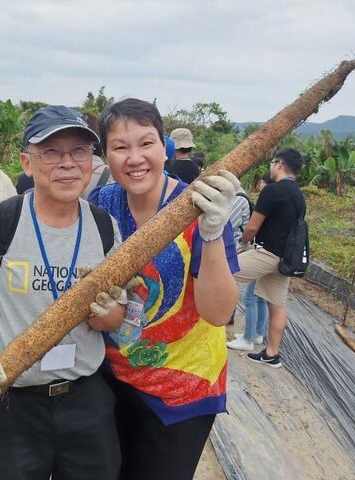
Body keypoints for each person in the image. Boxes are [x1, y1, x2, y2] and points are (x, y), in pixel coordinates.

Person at [0, 105, 126, 479]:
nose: (67, 163)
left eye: (80, 151)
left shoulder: (104, 227)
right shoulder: (0, 220)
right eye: (51, 152)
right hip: (14, 402)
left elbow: (118, 318)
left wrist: (105, 314)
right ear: (27, 163)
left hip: (86, 398)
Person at [89, 98, 239, 479]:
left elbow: (219, 313)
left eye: (146, 143)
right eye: (120, 147)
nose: (135, 157)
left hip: (181, 389)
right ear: (106, 154)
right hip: (111, 380)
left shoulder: (199, 208)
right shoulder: (101, 204)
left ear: (164, 147)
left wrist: (213, 232)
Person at [235, 149, 306, 368]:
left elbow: (253, 226)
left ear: (279, 164)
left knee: (222, 273)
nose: (271, 167)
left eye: (273, 163)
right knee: (277, 305)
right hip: (285, 261)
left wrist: (242, 244)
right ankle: (272, 353)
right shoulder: (299, 196)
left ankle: (204, 329)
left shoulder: (273, 191)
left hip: (266, 254)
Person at [227, 173, 273, 351]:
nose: (260, 184)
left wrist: (242, 244)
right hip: (268, 251)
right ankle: (257, 334)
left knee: (249, 297)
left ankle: (248, 339)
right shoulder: (281, 200)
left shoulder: (240, 198)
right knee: (260, 296)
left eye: (262, 181)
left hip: (256, 251)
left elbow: (235, 224)